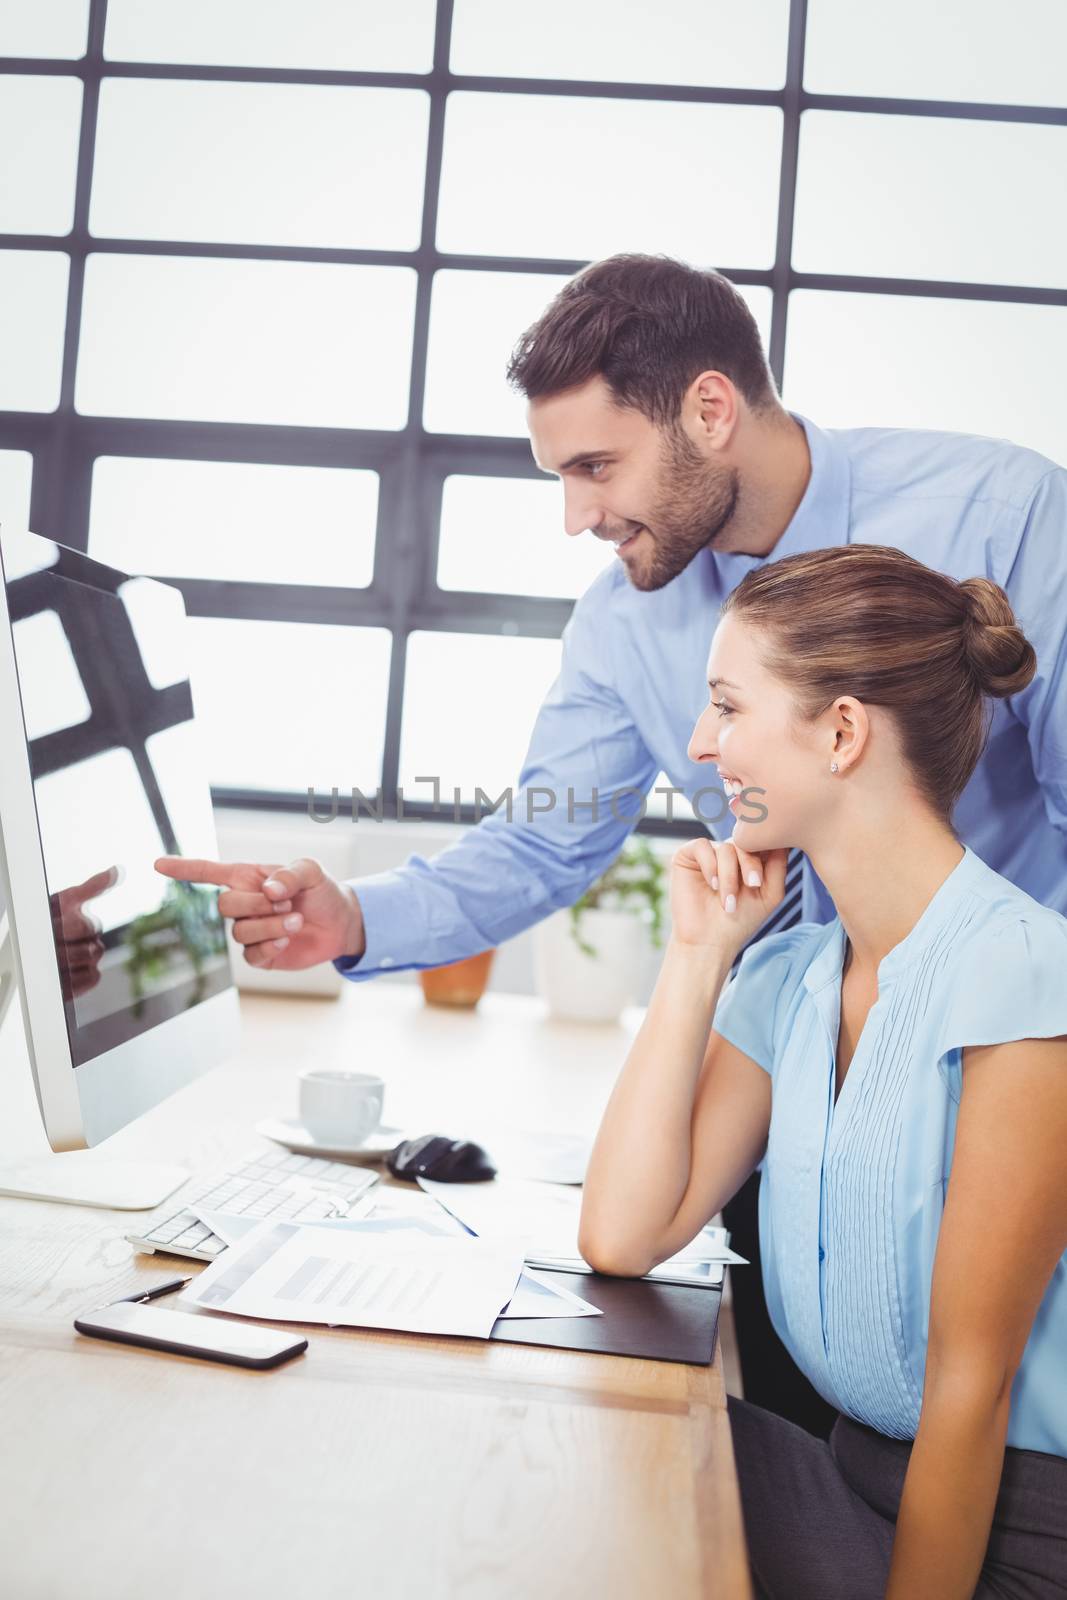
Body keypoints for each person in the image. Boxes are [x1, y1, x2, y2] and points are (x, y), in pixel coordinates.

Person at [156, 254, 1067, 1435]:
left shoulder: (1002, 515)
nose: (576, 513)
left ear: (707, 409)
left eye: (595, 465)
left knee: (982, 1426)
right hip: (787, 1074)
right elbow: (545, 839)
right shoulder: (625, 617)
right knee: (776, 1432)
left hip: (1006, 1079)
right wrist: (357, 916)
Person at [577, 543, 1067, 1599]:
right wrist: (698, 954)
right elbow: (623, 1231)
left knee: (612, 1511)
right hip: (853, 1479)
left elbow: (968, 1393)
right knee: (606, 1440)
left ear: (841, 732)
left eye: (726, 707)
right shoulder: (795, 973)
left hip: (1012, 1537)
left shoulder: (1029, 983)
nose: (702, 746)